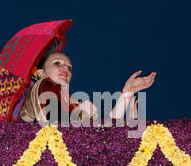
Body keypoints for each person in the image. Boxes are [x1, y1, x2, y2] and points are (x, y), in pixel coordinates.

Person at [18, 51, 156, 123]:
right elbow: (60, 124)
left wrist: (127, 93)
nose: (65, 67)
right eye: (57, 63)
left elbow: (105, 131)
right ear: (41, 73)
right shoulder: (45, 84)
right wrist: (83, 112)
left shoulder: (65, 99)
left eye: (69, 67)